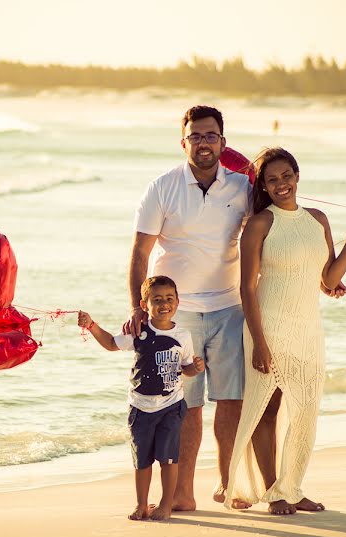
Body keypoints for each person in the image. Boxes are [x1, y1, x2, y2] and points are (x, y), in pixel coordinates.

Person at [225, 147, 346, 515]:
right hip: (268, 326)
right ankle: (275, 492)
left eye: (286, 176)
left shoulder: (318, 219)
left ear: (297, 176)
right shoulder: (259, 224)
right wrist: (259, 343)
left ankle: (292, 487)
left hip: (308, 328)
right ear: (264, 185)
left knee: (305, 410)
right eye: (272, 179)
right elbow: (247, 288)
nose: (280, 184)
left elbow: (328, 278)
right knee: (267, 410)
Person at [124, 106, 252, 511]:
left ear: (223, 143)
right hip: (178, 316)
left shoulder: (242, 188)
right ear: (183, 143)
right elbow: (140, 251)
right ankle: (183, 492)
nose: (203, 142)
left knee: (231, 400)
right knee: (187, 405)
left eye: (210, 135)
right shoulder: (162, 187)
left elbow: (273, 233)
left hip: (229, 306)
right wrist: (137, 307)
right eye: (195, 136)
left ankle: (229, 484)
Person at [78, 276, 205, 521]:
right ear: (144, 304)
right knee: (142, 459)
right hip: (140, 407)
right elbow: (111, 344)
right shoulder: (138, 331)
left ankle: (166, 504)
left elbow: (186, 368)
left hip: (171, 406)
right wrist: (91, 324)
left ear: (178, 302)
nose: (164, 304)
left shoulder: (183, 335)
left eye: (169, 299)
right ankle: (141, 505)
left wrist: (196, 368)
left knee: (169, 458)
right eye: (156, 300)